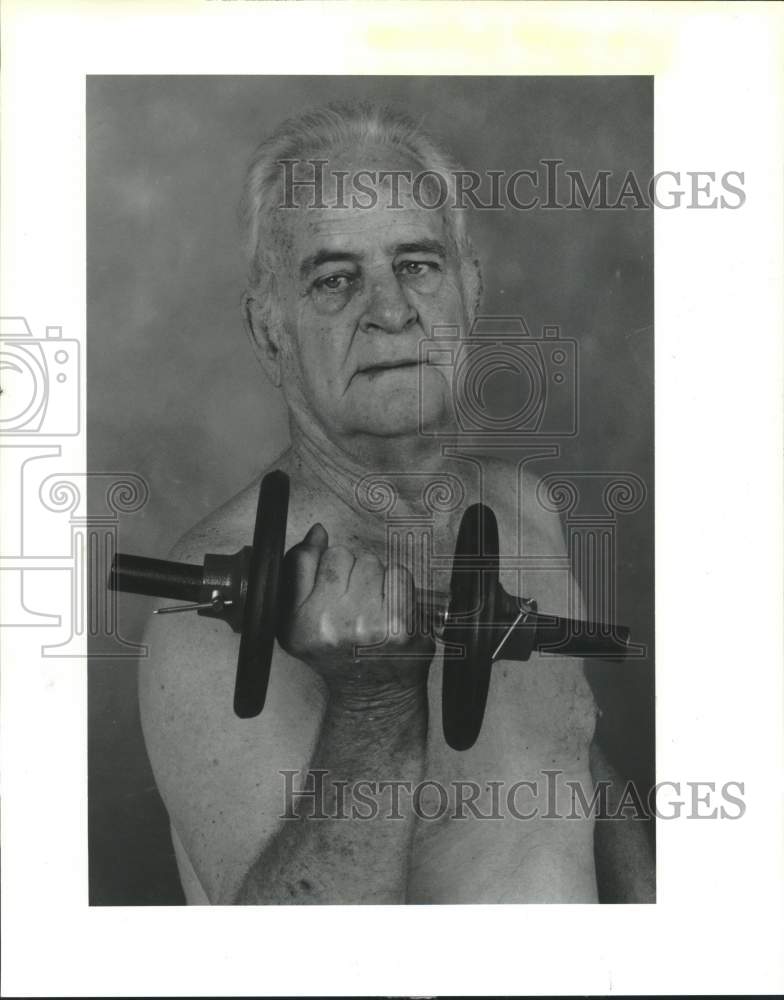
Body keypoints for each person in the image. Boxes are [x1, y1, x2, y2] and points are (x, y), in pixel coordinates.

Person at [139, 102, 654, 905]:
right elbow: (285, 972)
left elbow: (570, 759)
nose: (389, 310)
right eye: (336, 279)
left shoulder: (524, 511)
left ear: (470, 288)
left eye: (416, 265)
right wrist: (373, 699)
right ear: (269, 328)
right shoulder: (200, 616)